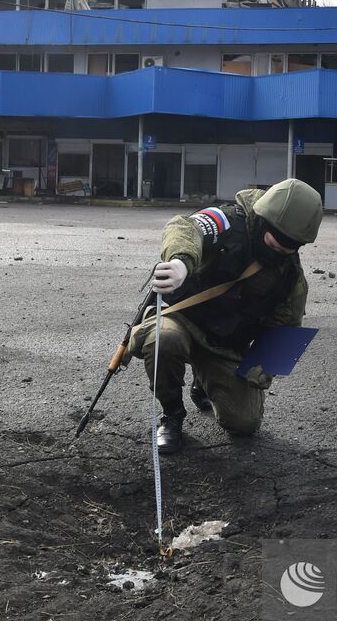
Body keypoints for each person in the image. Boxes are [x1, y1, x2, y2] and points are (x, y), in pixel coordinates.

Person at [128, 178, 323, 454]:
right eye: (275, 242)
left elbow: (285, 328)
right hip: (181, 318)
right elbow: (185, 227)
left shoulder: (290, 277)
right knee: (163, 341)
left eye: (289, 248)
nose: (280, 251)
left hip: (222, 344)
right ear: (265, 221)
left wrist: (262, 369)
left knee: (245, 423)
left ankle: (202, 382)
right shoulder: (228, 221)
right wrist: (181, 262)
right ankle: (171, 415)